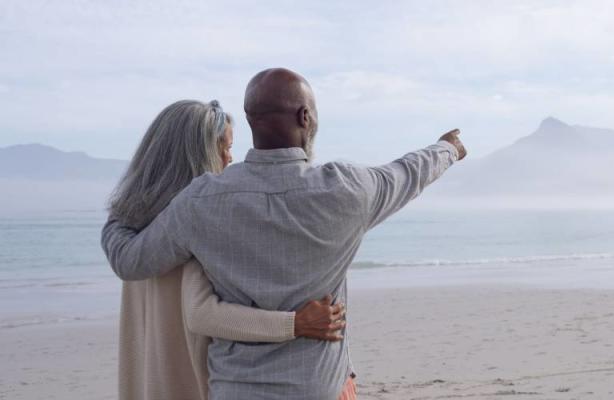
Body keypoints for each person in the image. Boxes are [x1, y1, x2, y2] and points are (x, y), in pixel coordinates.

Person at [102, 68, 467, 400]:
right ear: (305, 117)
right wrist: (448, 149)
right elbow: (408, 172)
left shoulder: (200, 201)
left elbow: (130, 261)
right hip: (319, 389)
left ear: (249, 120)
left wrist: (119, 214)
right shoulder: (345, 190)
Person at [108, 99, 348, 400]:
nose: (230, 159)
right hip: (194, 384)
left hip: (148, 384)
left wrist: (114, 220)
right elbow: (204, 314)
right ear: (195, 155)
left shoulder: (133, 226)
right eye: (224, 147)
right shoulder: (196, 223)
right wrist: (296, 323)